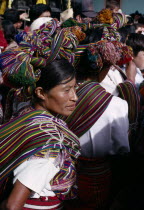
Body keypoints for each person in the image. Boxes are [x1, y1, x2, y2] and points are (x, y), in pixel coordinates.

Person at [0, 58, 80, 210]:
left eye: (74, 88)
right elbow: (12, 206)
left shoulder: (26, 115)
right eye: (66, 90)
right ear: (41, 93)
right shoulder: (49, 140)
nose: (74, 97)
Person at [61, 40, 131, 210]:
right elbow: (122, 147)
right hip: (97, 175)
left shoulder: (62, 96)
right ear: (104, 69)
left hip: (63, 170)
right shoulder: (116, 104)